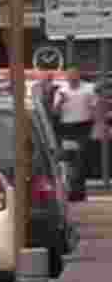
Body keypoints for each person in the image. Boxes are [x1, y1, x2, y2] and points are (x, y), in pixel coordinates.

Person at [54, 67, 98, 196]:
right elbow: (55, 112)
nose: (71, 79)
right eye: (69, 76)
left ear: (79, 76)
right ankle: (73, 189)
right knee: (69, 159)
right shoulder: (62, 90)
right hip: (67, 128)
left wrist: (97, 126)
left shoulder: (89, 88)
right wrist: (61, 101)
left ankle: (78, 190)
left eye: (74, 76)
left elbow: (95, 107)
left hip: (84, 126)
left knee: (81, 158)